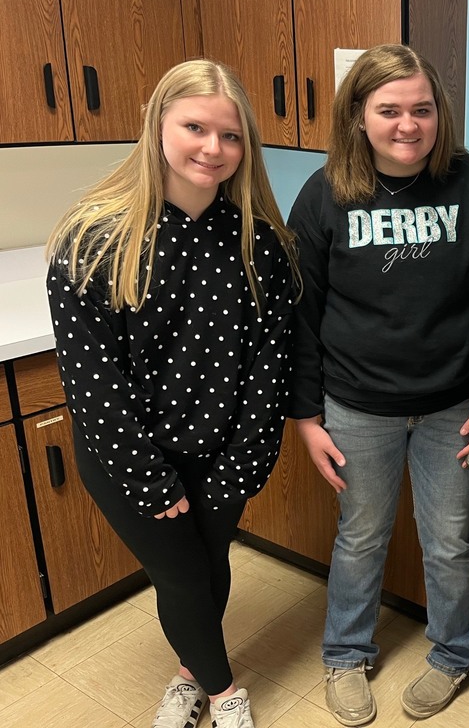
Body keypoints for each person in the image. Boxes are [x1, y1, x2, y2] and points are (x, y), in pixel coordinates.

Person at [46, 59, 300, 728]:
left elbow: (270, 359)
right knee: (185, 578)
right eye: (195, 127)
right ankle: (223, 697)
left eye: (232, 135)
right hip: (128, 459)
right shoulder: (93, 240)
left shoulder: (259, 241)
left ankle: (190, 672)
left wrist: (246, 458)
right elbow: (91, 382)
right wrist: (152, 481)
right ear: (157, 124)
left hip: (222, 454)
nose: (213, 149)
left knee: (209, 569)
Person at [287, 43, 469, 726]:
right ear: (358, 115)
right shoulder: (325, 193)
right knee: (361, 536)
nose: (408, 125)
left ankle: (454, 652)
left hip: (455, 405)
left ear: (439, 113)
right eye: (389, 110)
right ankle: (345, 652)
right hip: (357, 406)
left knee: (449, 540)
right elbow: (300, 313)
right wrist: (306, 418)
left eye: (421, 109)